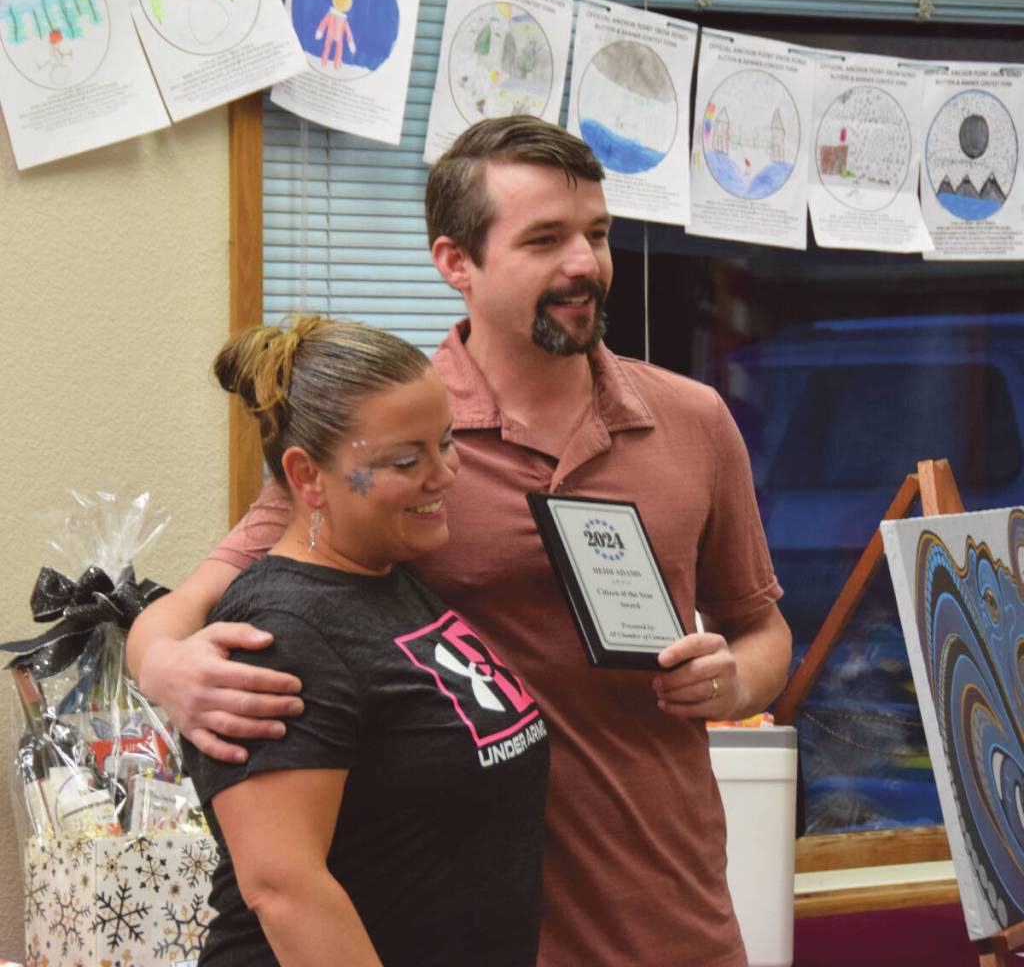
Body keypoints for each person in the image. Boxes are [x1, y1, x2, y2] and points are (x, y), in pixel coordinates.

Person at [127, 116, 792, 967]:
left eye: (597, 234)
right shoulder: (392, 441)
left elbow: (764, 630)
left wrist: (736, 681)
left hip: (677, 921)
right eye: (545, 239)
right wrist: (164, 669)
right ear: (455, 263)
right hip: (474, 934)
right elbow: (201, 602)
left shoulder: (694, 421)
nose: (585, 263)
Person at [175, 316, 549, 967]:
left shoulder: (390, 577)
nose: (445, 475)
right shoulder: (282, 630)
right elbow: (284, 887)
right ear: (309, 477)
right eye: (406, 460)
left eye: (447, 442)